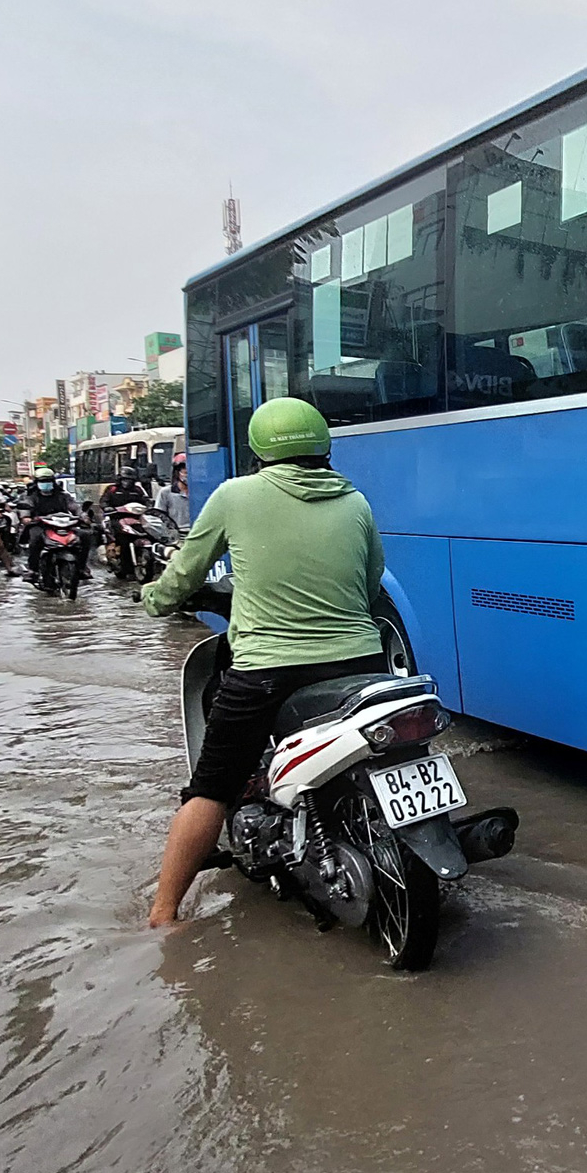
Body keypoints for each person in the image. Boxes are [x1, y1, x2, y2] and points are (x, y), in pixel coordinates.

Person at [140, 397, 389, 927]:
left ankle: (162, 916)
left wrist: (155, 599)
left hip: (268, 670)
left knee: (211, 785)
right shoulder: (356, 502)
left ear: (258, 450)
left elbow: (185, 574)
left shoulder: (235, 496)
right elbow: (369, 587)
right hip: (361, 662)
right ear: (324, 446)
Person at [19, 465, 89, 580]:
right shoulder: (31, 497)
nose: (46, 484)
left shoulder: (63, 496)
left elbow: (74, 507)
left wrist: (83, 516)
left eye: (48, 481)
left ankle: (81, 567)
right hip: (41, 525)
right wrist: (26, 517)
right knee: (35, 539)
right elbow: (25, 509)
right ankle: (33, 569)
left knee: (85, 536)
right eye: (43, 481)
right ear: (37, 483)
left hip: (63, 525)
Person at [154, 461, 191, 530]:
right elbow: (159, 515)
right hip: (176, 533)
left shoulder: (200, 492)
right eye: (186, 473)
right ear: (177, 473)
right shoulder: (166, 492)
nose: (189, 476)